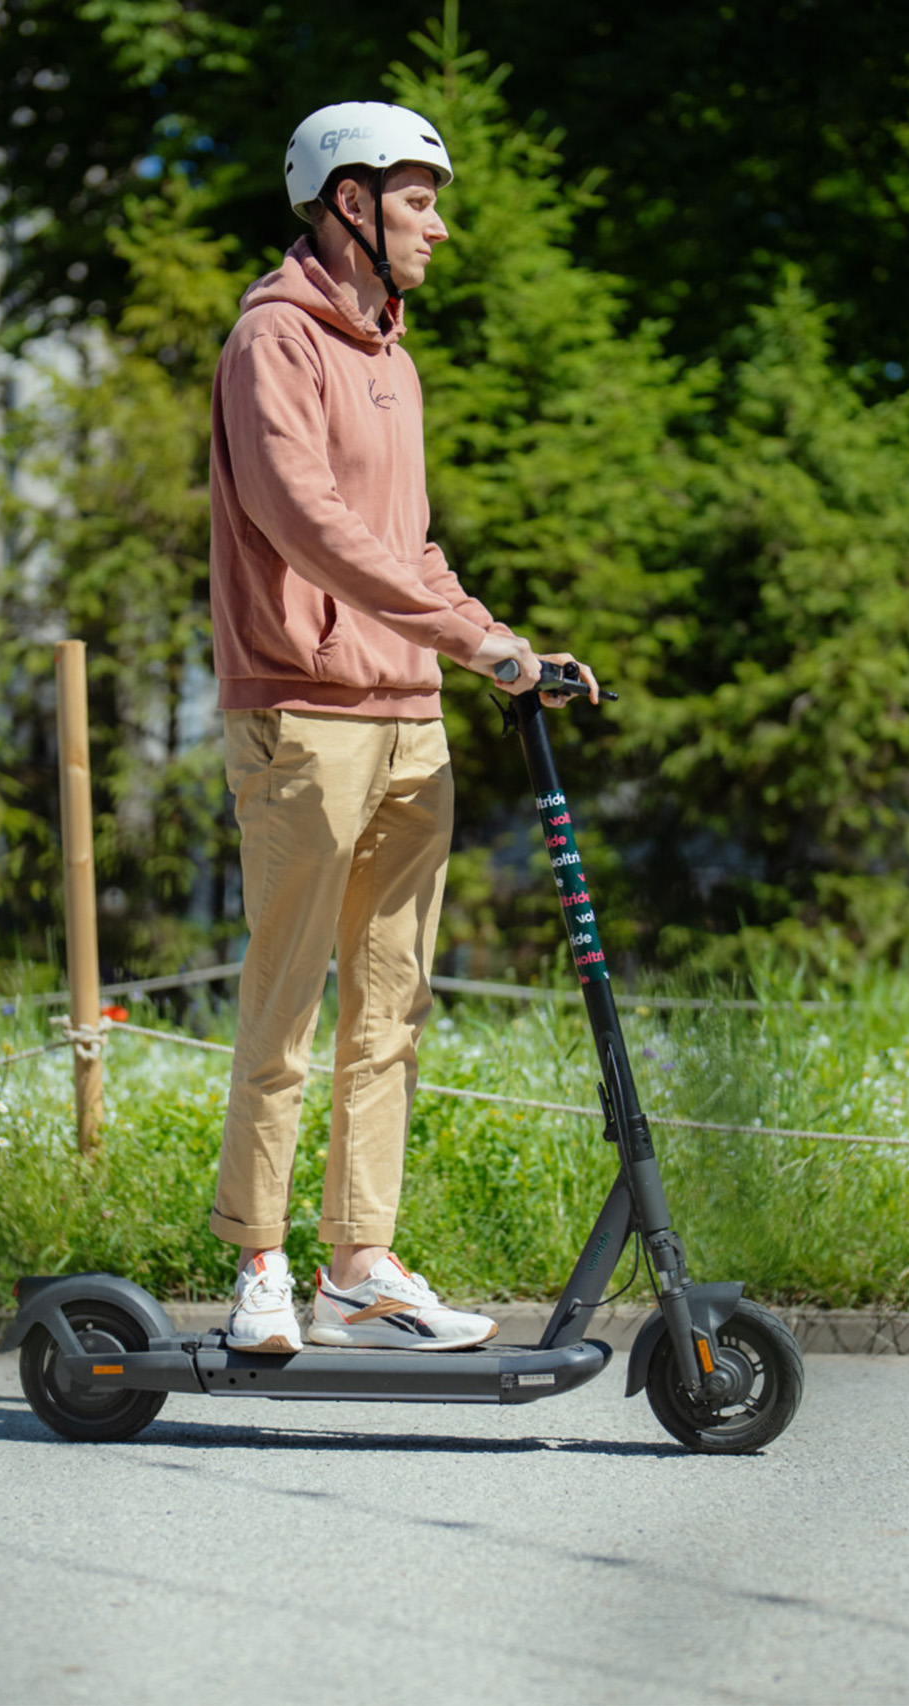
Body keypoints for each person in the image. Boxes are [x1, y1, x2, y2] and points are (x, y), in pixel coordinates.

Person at [206, 101, 595, 1353]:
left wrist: (498, 647)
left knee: (392, 1001)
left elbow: (407, 543)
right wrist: (464, 637)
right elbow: (305, 520)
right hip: (303, 713)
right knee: (287, 995)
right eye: (418, 197)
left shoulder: (392, 357)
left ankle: (359, 1265)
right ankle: (260, 1260)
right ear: (348, 202)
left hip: (407, 715)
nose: (439, 221)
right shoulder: (275, 342)